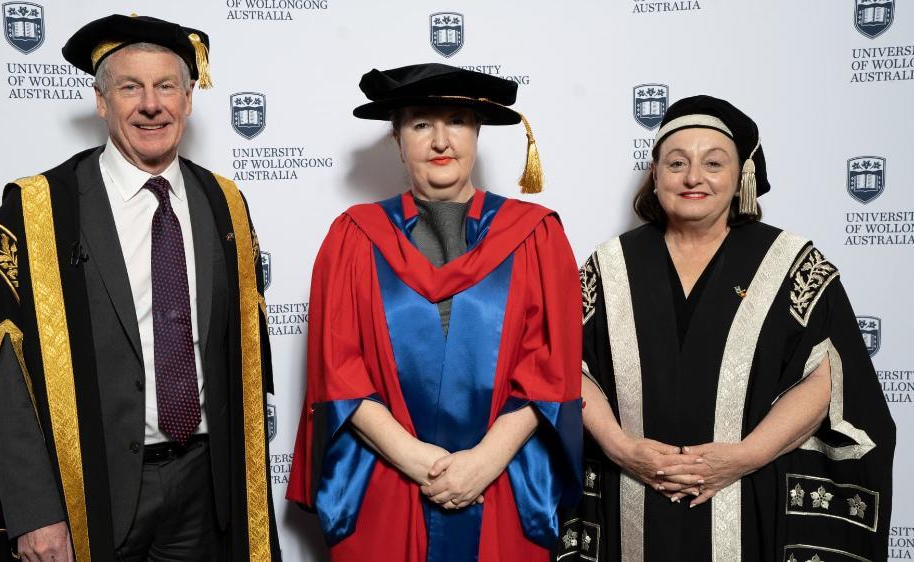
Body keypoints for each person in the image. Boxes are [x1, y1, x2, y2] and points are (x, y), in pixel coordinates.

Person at [0, 14, 280, 562]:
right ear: (101, 101)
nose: (150, 104)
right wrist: (36, 512)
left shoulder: (224, 203)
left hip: (204, 485)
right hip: (91, 489)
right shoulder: (39, 211)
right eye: (129, 87)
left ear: (189, 99)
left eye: (166, 86)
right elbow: (6, 380)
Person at [560, 95, 895, 561]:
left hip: (748, 497)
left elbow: (828, 376)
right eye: (676, 163)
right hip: (630, 494)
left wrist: (745, 456)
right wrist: (622, 450)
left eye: (713, 163)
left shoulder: (792, 264)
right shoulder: (608, 265)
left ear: (742, 176)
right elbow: (567, 367)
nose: (693, 177)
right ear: (655, 176)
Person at [285, 63, 584, 562]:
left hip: (501, 482)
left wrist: (482, 464)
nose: (441, 141)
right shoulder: (354, 237)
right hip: (386, 481)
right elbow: (338, 373)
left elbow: (550, 370)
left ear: (478, 134)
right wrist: (421, 462)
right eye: (421, 124)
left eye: (457, 122)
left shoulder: (536, 236)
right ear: (398, 141)